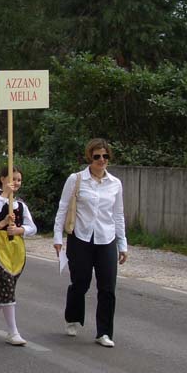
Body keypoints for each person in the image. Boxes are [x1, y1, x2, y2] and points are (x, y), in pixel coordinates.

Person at [53, 138, 127, 348]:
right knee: (80, 282)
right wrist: (57, 237)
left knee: (108, 287)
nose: (101, 160)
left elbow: (118, 214)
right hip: (81, 237)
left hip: (106, 238)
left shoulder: (115, 183)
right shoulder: (76, 179)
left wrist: (122, 244)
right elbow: (63, 208)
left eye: (105, 156)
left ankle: (104, 332)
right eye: (97, 156)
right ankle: (73, 317)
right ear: (89, 157)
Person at [0, 166, 37, 346]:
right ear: (2, 179)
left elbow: (32, 227)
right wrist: (5, 194)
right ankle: (13, 332)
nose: (16, 183)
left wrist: (20, 229)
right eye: (13, 179)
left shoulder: (20, 204)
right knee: (6, 285)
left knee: (8, 288)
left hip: (16, 249)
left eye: (19, 180)